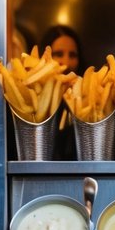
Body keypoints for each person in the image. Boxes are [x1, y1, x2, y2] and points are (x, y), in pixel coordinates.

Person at [40, 23, 83, 160]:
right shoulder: (35, 97)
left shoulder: (87, 93)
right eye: (58, 54)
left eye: (73, 55)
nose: (66, 62)